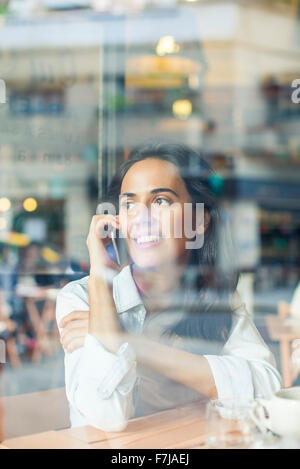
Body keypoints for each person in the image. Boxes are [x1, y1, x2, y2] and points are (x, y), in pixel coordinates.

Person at [56, 143, 281, 431]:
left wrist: (132, 344)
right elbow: (106, 416)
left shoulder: (213, 295)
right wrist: (100, 274)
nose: (142, 217)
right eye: (129, 205)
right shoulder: (81, 299)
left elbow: (268, 388)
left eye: (161, 201)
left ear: (199, 221)